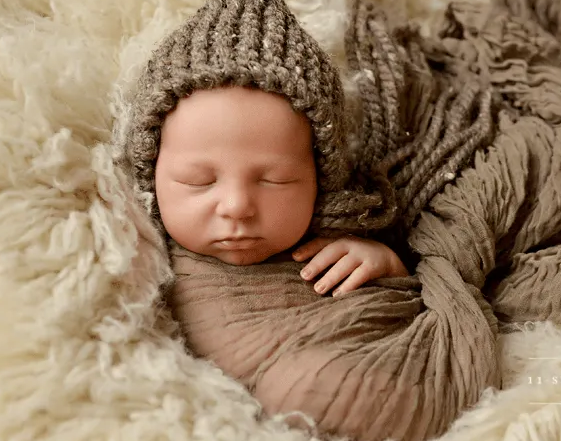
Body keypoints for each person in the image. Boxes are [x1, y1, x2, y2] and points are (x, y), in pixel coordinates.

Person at [153, 84, 409, 296]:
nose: (237, 206)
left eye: (277, 179)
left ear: (320, 178)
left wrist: (389, 267)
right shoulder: (139, 263)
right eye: (198, 180)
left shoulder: (340, 247)